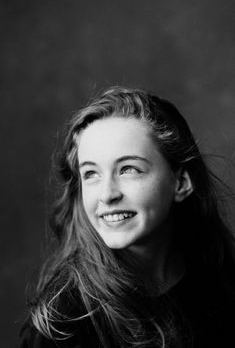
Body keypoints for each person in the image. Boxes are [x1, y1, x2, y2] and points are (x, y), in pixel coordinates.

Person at [20, 86, 235, 348]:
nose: (107, 195)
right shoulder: (62, 326)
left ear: (181, 182)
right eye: (91, 174)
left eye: (128, 169)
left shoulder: (223, 282)